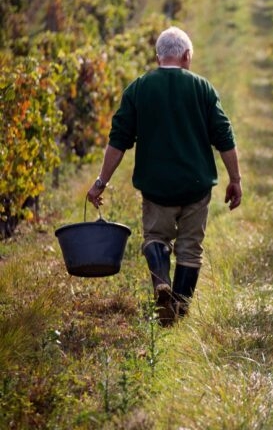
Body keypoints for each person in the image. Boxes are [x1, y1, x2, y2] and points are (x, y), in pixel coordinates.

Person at [87, 26, 242, 326]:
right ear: (186, 56)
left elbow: (118, 140)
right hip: (195, 187)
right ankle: (178, 316)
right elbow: (225, 137)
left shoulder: (138, 88)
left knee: (156, 238)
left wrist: (100, 182)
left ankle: (161, 281)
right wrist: (235, 179)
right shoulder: (203, 88)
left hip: (156, 188)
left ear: (158, 57)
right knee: (189, 249)